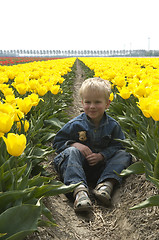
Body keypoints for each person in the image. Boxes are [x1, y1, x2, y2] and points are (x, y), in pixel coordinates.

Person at [53, 77, 132, 213]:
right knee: (71, 152)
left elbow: (119, 145)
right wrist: (76, 145)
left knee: (124, 155)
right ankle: (79, 191)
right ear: (82, 102)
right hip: (77, 167)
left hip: (103, 168)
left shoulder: (113, 126)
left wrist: (102, 156)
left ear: (107, 103)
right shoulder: (75, 125)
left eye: (97, 102)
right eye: (88, 102)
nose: (92, 106)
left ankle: (106, 185)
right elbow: (57, 142)